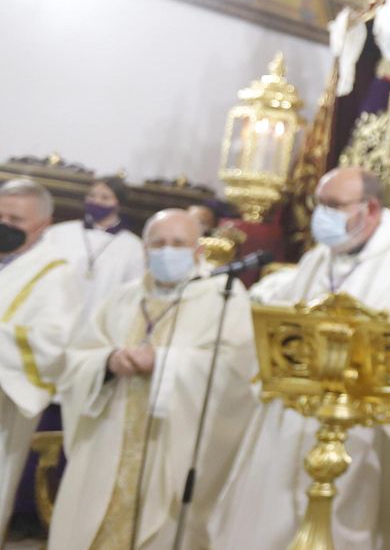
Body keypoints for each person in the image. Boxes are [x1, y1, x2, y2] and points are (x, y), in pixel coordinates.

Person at [209, 167, 390, 550]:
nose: (321, 215)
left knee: (347, 521)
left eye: (333, 205)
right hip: (297, 412)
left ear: (370, 208)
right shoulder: (319, 258)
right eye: (319, 204)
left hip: (362, 427)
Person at [51, 209, 255, 550]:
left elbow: (237, 369)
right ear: (144, 250)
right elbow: (77, 358)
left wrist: (163, 362)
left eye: (178, 243)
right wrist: (107, 361)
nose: (166, 251)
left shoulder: (224, 296)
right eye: (158, 244)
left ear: (198, 250)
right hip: (110, 438)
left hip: (173, 441)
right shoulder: (123, 296)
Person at [0, 179, 82, 535]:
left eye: (15, 220)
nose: (4, 225)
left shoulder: (56, 273)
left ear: (43, 224)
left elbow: (54, 344)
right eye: (0, 216)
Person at [45, 176, 145, 327]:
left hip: (102, 324)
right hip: (57, 318)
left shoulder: (133, 246)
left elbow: (131, 292)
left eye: (105, 198)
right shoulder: (59, 232)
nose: (96, 201)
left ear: (119, 203)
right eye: (92, 196)